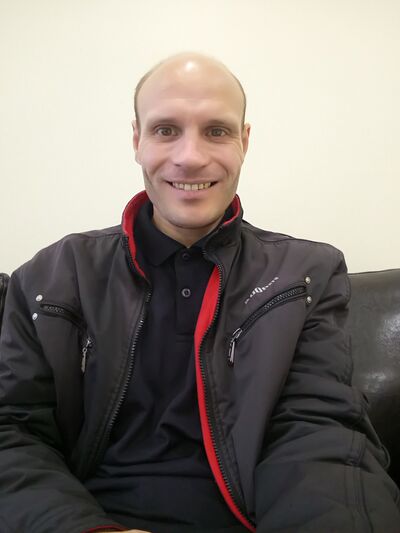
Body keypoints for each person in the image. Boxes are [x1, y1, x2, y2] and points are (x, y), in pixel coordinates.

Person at [0, 52, 399, 533]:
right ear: (137, 140)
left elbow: (319, 433)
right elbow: (14, 433)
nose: (190, 157)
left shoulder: (307, 276)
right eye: (166, 129)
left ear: (244, 142)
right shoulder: (50, 278)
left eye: (216, 131)